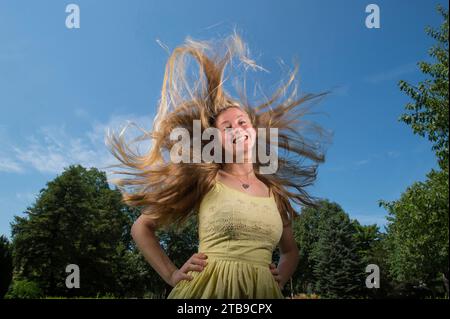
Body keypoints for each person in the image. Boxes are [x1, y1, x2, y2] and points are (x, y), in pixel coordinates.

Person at [107, 32, 329, 298]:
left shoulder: (276, 194)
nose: (237, 128)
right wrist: (172, 274)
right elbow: (141, 227)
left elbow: (290, 251)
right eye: (227, 126)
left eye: (242, 122)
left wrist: (278, 280)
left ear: (254, 133)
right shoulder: (206, 180)